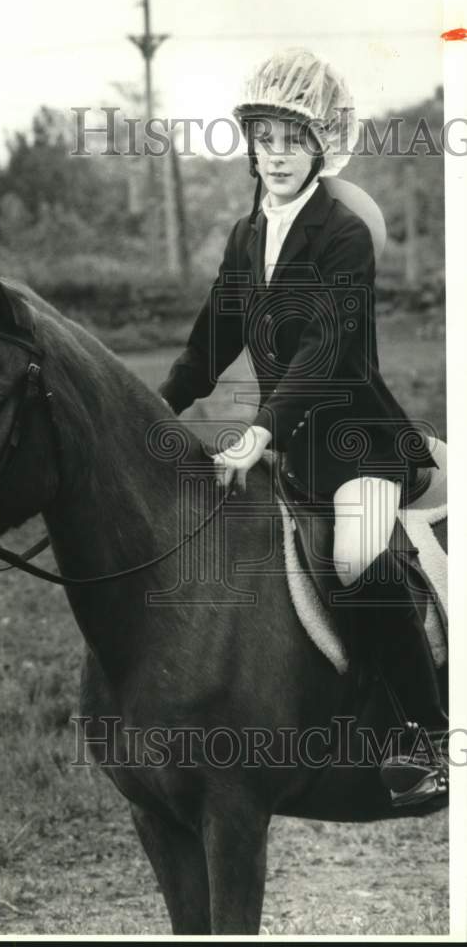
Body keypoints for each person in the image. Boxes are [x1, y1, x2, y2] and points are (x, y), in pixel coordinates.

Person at [159, 48, 447, 808]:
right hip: (292, 450)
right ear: (249, 144)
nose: (277, 154)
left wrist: (262, 425)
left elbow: (328, 345)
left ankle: (424, 738)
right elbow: (210, 341)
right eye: (264, 137)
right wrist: (155, 411)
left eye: (292, 139)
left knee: (356, 554)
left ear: (320, 146)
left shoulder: (343, 233)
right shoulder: (243, 236)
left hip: (360, 444)